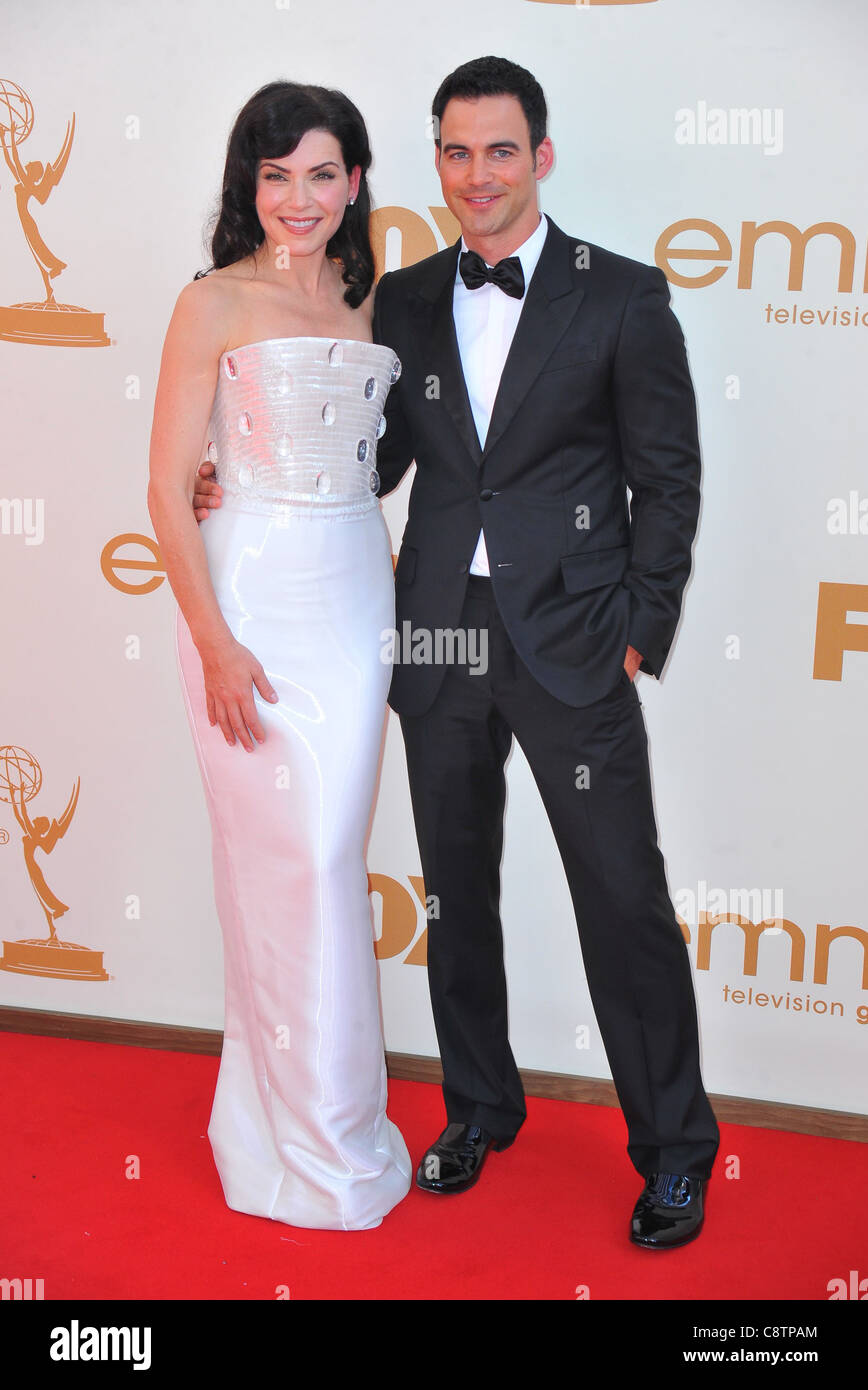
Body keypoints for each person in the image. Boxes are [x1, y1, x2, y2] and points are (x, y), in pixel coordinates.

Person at [195, 56, 719, 1249]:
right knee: (455, 892)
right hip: (431, 637)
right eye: (453, 150)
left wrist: (640, 632)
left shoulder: (624, 298)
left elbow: (667, 481)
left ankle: (675, 1149)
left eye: (498, 150)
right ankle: (480, 1106)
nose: (474, 174)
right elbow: (368, 460)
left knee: (621, 897)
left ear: (540, 156)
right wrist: (244, 471)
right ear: (430, 162)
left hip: (576, 646)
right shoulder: (406, 297)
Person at [147, 80, 411, 1231]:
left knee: (328, 866)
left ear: (354, 182)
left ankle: (330, 1120)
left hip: (355, 594)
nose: (297, 199)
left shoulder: (374, 298)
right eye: (274, 174)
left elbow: (379, 456)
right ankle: (292, 1138)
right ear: (245, 185)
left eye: (319, 173)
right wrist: (211, 641)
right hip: (247, 594)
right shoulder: (211, 302)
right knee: (285, 865)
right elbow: (165, 490)